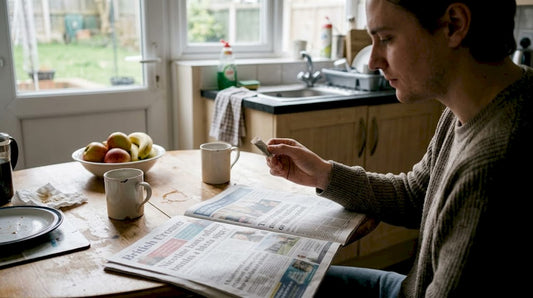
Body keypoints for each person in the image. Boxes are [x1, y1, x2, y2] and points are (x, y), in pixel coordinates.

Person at [265, 0, 532, 297]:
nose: (372, 61)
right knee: (273, 278)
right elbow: (415, 194)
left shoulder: (494, 161)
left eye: (386, 39)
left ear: (454, 25)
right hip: (413, 287)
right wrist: (324, 175)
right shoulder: (467, 107)